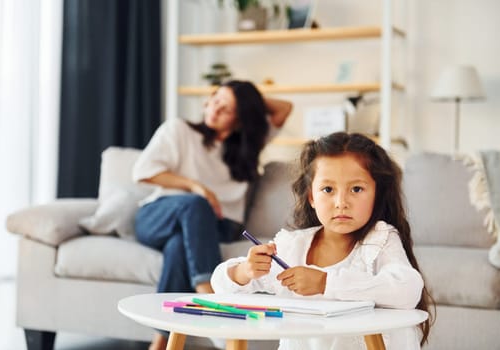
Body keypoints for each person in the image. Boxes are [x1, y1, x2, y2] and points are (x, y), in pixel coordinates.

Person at [211, 132, 434, 350]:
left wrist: (325, 283)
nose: (341, 202)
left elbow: (407, 288)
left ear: (377, 194)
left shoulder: (380, 239)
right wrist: (244, 271)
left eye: (356, 189)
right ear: (311, 197)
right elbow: (219, 285)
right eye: (328, 189)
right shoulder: (292, 246)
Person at [132, 80, 292, 350]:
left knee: (178, 247)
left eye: (226, 108)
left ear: (240, 120)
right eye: (215, 99)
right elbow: (143, 172)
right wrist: (196, 187)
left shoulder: (246, 148)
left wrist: (247, 99)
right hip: (160, 216)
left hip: (216, 226)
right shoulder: (179, 130)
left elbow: (285, 108)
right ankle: (209, 293)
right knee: (195, 205)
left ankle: (161, 341)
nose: (214, 109)